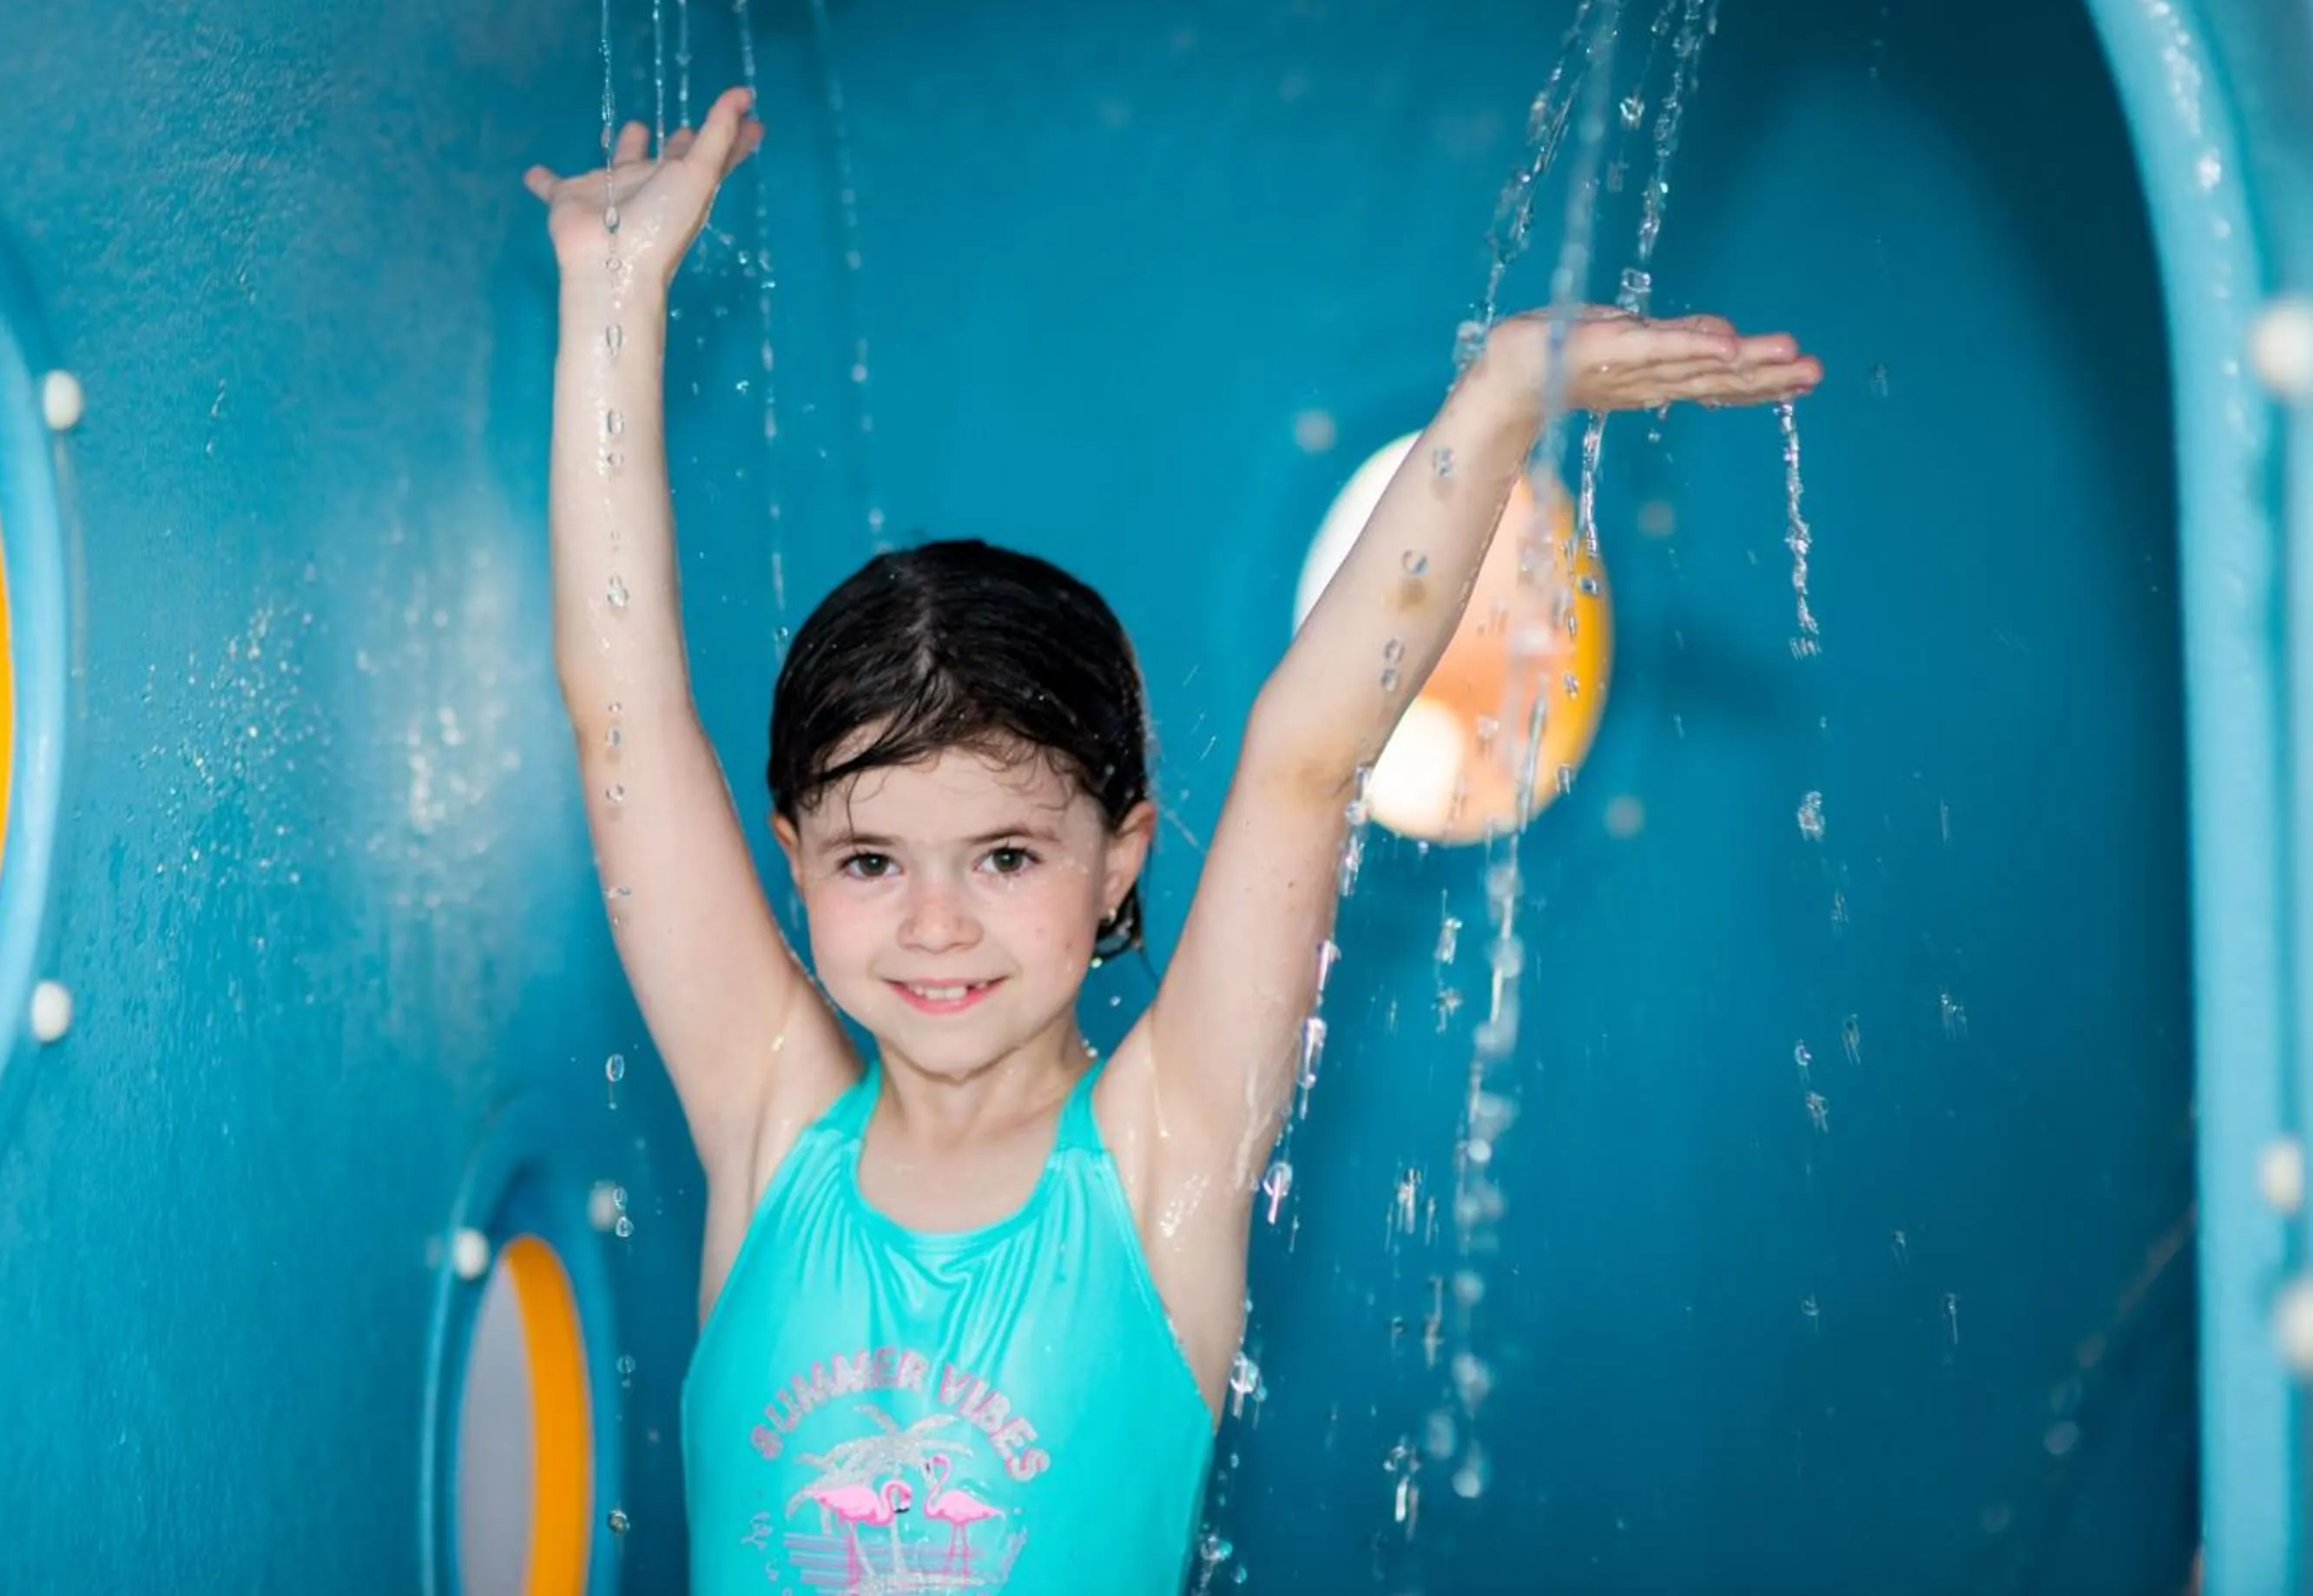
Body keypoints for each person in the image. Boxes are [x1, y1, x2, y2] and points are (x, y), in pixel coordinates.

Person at [524, 88, 1822, 1592]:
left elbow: (1307, 754)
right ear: (796, 859)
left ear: (1119, 856)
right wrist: (608, 297)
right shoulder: (769, 1131)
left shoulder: (1159, 1156)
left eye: (1006, 856)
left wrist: (1493, 408)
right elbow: (619, 710)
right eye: (873, 861)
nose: (936, 922)